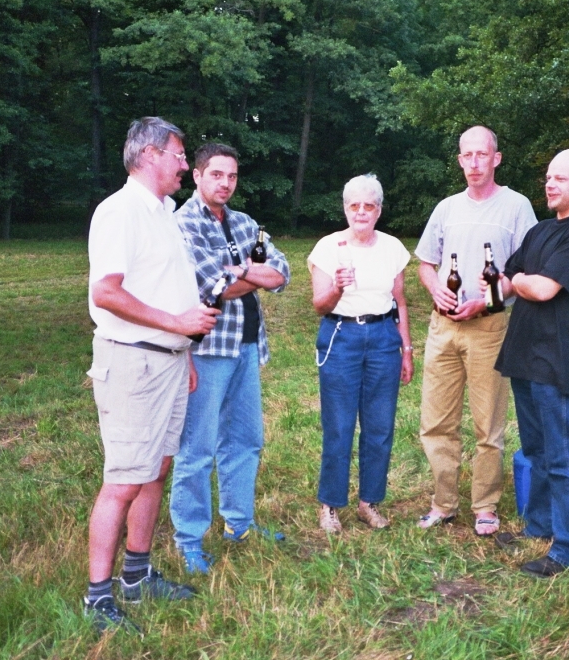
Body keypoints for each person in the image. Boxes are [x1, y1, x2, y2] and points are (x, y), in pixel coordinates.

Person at [84, 117, 221, 634]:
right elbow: (108, 292)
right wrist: (176, 325)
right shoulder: (119, 212)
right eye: (180, 154)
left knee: (155, 470)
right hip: (132, 361)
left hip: (167, 360)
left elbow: (165, 285)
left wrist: (182, 350)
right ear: (149, 155)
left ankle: (137, 577)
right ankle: (97, 599)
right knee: (123, 480)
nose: (186, 164)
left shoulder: (164, 211)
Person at [169, 143, 290, 574]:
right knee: (197, 447)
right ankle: (188, 539)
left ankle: (239, 524)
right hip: (208, 350)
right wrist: (243, 274)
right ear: (198, 175)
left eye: (232, 176)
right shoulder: (183, 223)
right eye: (216, 174)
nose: (225, 183)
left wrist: (238, 271)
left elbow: (281, 273)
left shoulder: (245, 223)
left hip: (247, 346)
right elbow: (210, 285)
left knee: (245, 440)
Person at [494, 148, 569, 577]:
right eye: (548, 176)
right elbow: (507, 278)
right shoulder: (542, 230)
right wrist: (519, 282)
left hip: (560, 358)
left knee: (564, 455)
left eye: (561, 178)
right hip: (525, 353)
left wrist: (523, 280)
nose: (550, 184)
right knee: (537, 450)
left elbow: (540, 288)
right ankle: (541, 525)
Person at [415, 126, 537, 536]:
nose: (474, 163)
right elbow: (425, 264)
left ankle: (485, 506)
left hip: (490, 327)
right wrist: (436, 292)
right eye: (466, 156)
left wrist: (485, 300)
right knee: (436, 422)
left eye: (481, 155)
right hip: (443, 327)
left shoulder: (517, 207)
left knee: (489, 425)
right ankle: (443, 503)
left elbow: (525, 271)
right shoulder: (447, 208)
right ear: (459, 161)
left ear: (496, 158)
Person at [308, 174, 414, 533]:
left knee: (380, 426)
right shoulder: (328, 247)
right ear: (345, 208)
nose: (361, 212)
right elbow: (319, 306)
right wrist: (337, 287)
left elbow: (400, 300)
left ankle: (369, 502)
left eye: (369, 205)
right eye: (354, 205)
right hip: (342, 335)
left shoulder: (393, 248)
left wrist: (407, 349)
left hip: (384, 336)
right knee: (338, 426)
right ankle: (330, 505)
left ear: (379, 210)